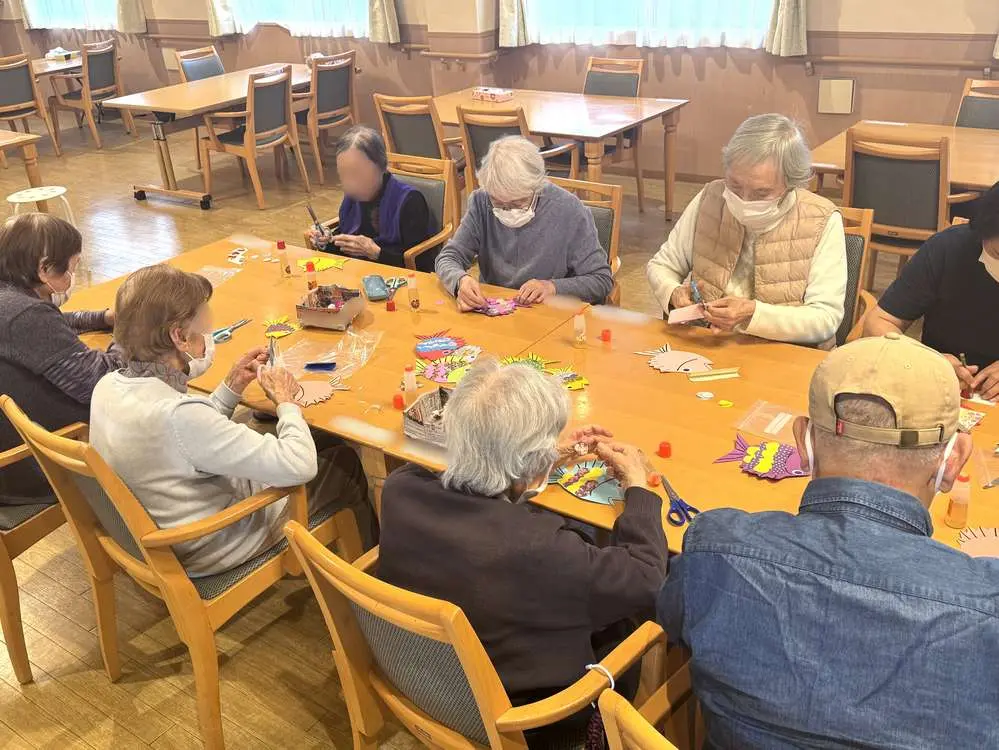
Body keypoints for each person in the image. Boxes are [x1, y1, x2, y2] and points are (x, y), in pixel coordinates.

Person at [657, 334, 999, 749]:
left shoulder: (714, 549)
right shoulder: (987, 606)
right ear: (954, 459)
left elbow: (674, 624)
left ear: (803, 442)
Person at [378, 357, 667, 747]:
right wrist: (638, 487)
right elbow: (647, 576)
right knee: (637, 618)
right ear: (532, 462)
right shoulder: (540, 549)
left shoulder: (399, 488)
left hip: (426, 680)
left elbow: (484, 498)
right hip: (530, 719)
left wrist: (541, 460)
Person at [89, 265, 368, 577]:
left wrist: (231, 386)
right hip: (211, 544)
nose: (208, 337)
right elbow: (300, 465)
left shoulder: (107, 386)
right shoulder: (180, 416)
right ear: (179, 337)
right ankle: (363, 583)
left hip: (165, 528)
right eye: (202, 328)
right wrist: (286, 401)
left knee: (317, 440)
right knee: (344, 461)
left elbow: (186, 444)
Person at [647, 114, 847, 347]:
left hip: (785, 354)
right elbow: (662, 265)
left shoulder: (821, 219)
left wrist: (753, 314)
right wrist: (673, 292)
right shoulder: (710, 198)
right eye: (734, 186)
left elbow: (825, 318)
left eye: (761, 193)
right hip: (710, 344)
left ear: (791, 184)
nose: (744, 200)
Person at [0, 213, 121, 504]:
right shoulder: (26, 315)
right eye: (72, 267)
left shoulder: (10, 301)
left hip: (16, 450)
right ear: (44, 269)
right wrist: (133, 333)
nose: (71, 278)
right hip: (41, 465)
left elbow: (53, 324)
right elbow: (103, 382)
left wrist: (103, 318)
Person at [435, 136, 613, 309]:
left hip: (548, 312)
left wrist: (552, 287)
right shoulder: (481, 201)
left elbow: (601, 280)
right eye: (498, 203)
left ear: (536, 187)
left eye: (517, 203)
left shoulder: (569, 210)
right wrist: (460, 281)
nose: (508, 211)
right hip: (494, 308)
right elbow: (448, 257)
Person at [863, 181, 999, 399]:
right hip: (940, 390)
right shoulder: (949, 248)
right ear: (984, 230)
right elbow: (877, 323)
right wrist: (923, 360)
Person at [312, 125, 436, 271]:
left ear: (381, 166)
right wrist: (326, 242)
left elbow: (421, 265)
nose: (349, 184)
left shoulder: (409, 201)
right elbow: (344, 252)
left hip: (398, 279)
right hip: (356, 275)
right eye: (343, 175)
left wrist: (377, 253)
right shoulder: (352, 200)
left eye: (356, 174)